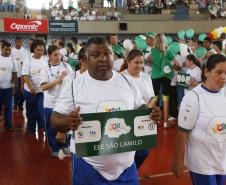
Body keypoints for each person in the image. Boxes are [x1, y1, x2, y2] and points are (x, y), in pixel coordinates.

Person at [51, 36, 160, 185]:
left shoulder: (126, 81)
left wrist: (150, 113)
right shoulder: (74, 85)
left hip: (126, 169)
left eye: (107, 53)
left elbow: (139, 108)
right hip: (89, 168)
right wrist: (68, 122)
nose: (103, 58)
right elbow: (55, 119)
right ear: (85, 60)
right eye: (95, 55)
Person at [172, 54, 226, 185]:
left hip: (221, 160)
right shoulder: (193, 97)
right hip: (202, 164)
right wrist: (177, 161)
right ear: (206, 72)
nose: (224, 77)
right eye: (219, 72)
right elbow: (182, 133)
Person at [121, 49, 155, 169]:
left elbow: (152, 97)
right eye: (136, 62)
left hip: (144, 118)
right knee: (127, 152)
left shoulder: (146, 77)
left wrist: (149, 107)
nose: (140, 65)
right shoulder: (121, 78)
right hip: (128, 120)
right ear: (128, 62)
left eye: (142, 63)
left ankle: (132, 171)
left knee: (143, 152)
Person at [41, 45, 73, 157]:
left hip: (65, 103)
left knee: (66, 125)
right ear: (49, 56)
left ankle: (65, 145)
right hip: (50, 103)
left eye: (59, 54)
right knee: (51, 127)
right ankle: (54, 147)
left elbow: (72, 82)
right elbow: (43, 87)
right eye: (55, 54)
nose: (58, 57)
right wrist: (58, 80)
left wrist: (66, 80)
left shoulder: (66, 66)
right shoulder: (45, 68)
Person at [150, 33, 180, 128]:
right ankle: (166, 122)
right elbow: (178, 65)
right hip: (166, 77)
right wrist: (171, 65)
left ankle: (154, 121)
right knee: (165, 98)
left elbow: (149, 61)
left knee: (155, 98)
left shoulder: (152, 51)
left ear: (156, 41)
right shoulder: (169, 51)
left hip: (155, 76)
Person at [22, 39, 46, 134]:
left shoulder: (45, 60)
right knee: (31, 111)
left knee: (41, 110)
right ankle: (31, 129)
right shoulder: (28, 59)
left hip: (41, 91)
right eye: (39, 50)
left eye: (42, 50)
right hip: (30, 91)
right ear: (34, 49)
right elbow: (25, 75)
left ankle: (42, 126)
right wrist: (31, 87)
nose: (40, 52)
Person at [0, 41, 17, 130]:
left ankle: (8, 124)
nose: (8, 52)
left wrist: (14, 87)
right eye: (6, 50)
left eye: (9, 50)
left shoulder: (12, 59)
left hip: (8, 88)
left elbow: (14, 73)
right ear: (1, 48)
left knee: (8, 107)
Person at [11, 37, 27, 111]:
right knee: (16, 91)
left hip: (23, 74)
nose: (19, 43)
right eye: (17, 42)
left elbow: (25, 63)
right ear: (15, 42)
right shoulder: (12, 51)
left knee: (22, 91)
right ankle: (15, 105)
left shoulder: (24, 51)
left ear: (22, 42)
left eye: (20, 42)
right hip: (14, 75)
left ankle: (20, 104)